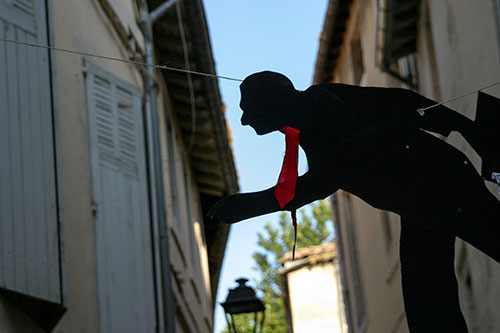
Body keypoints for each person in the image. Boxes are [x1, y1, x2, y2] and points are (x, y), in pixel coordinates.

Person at [208, 71, 500, 331]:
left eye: (248, 110)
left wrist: (246, 207)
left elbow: (319, 183)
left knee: (431, 300)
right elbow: (398, 101)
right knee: (428, 303)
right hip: (422, 201)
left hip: (440, 188)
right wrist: (462, 126)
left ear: (271, 102)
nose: (245, 120)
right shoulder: (315, 107)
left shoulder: (319, 111)